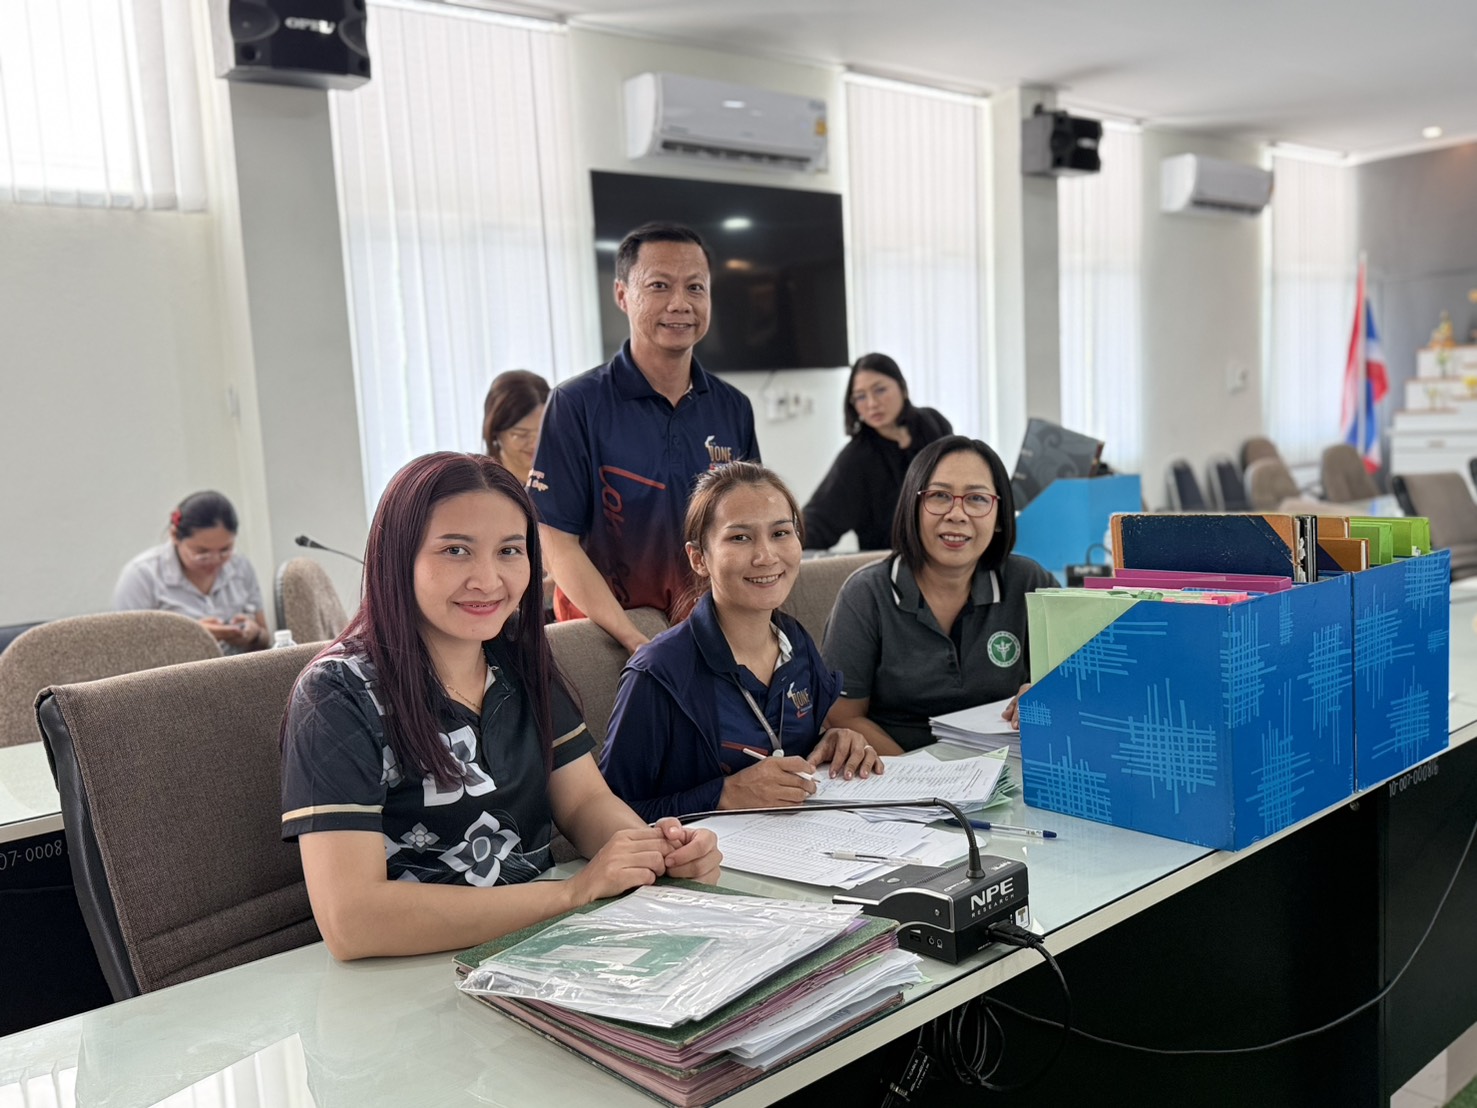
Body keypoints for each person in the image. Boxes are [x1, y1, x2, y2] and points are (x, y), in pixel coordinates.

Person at [279, 452, 721, 961]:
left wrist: (653, 852)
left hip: (541, 948)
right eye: (455, 551)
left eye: (510, 550)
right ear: (397, 557)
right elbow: (353, 921)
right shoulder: (336, 694)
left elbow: (583, 803)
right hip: (411, 973)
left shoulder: (517, 659)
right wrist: (572, 894)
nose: (488, 580)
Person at [528, 221, 760, 653]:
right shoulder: (576, 404)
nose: (680, 303)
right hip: (604, 635)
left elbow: (748, 528)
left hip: (710, 631)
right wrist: (632, 638)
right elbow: (557, 543)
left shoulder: (733, 407)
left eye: (695, 287)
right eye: (659, 285)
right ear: (622, 295)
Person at [600, 463, 880, 821]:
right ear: (699, 559)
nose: (766, 556)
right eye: (740, 538)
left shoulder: (796, 643)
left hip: (810, 841)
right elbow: (608, 817)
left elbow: (792, 749)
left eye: (780, 533)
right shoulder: (657, 673)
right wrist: (723, 795)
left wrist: (833, 742)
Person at [821, 436, 1057, 754]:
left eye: (977, 498)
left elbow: (1080, 679)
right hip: (899, 771)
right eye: (940, 495)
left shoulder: (1029, 581)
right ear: (913, 507)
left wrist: (1047, 689)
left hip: (1008, 766)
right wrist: (917, 773)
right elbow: (843, 716)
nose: (957, 514)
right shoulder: (866, 594)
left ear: (999, 516)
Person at [802, 353, 953, 551]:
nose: (872, 403)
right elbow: (818, 522)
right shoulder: (855, 458)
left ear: (902, 388)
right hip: (891, 560)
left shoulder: (933, 424)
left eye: (880, 390)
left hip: (945, 547)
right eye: (861, 396)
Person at [113, 490, 268, 654]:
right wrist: (190, 636)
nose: (215, 560)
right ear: (174, 536)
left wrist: (255, 635)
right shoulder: (142, 576)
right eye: (202, 553)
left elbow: (267, 639)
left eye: (225, 550)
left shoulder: (240, 566)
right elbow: (129, 654)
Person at [482, 369, 550, 484]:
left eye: (543, 432)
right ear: (495, 431)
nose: (535, 444)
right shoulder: (482, 485)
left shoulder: (568, 473)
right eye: (521, 434)